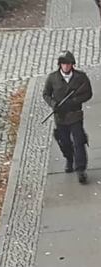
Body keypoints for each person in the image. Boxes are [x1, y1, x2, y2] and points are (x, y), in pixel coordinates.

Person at [43, 51, 93, 184]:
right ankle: (69, 158)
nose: (66, 66)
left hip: (75, 115)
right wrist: (54, 104)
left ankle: (81, 169)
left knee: (78, 141)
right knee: (64, 142)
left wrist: (74, 101)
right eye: (64, 64)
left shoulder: (80, 78)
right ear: (60, 65)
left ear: (72, 65)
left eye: (68, 64)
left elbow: (88, 93)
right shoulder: (52, 78)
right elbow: (46, 94)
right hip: (60, 117)